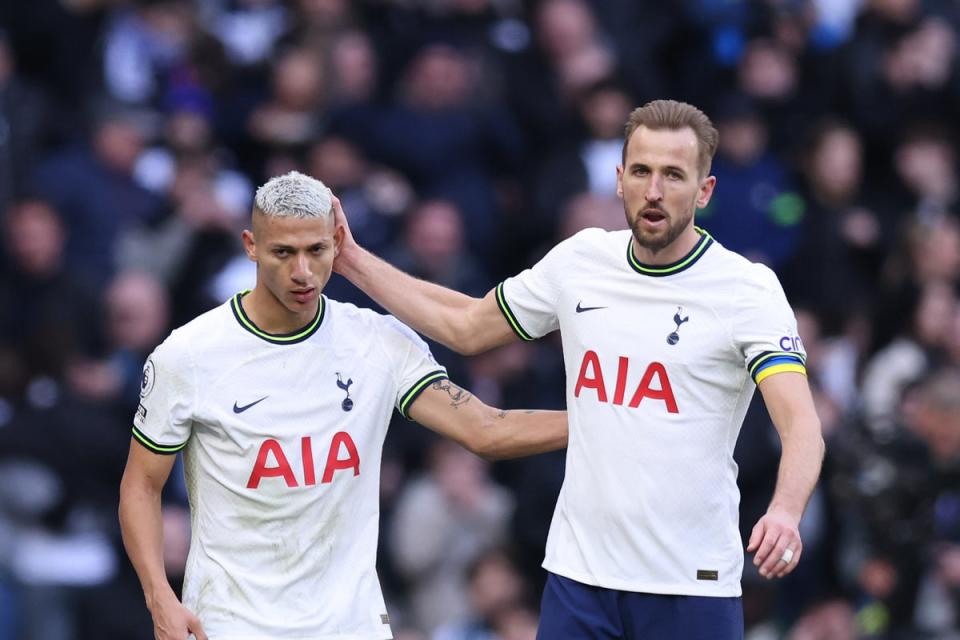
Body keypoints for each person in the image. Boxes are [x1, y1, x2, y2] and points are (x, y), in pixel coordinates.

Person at [333, 99, 825, 638]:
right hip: (579, 579)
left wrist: (785, 510)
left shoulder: (745, 289)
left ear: (704, 191)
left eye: (673, 175)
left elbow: (800, 424)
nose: (653, 191)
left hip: (691, 585)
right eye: (640, 171)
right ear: (619, 179)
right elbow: (466, 326)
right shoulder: (582, 260)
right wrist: (353, 260)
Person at [117, 171, 568, 640]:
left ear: (337, 242)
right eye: (283, 252)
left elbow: (486, 429)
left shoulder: (377, 341)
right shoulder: (188, 355)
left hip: (351, 625)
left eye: (316, 250)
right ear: (251, 245)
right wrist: (158, 597)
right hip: (233, 623)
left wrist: (601, 419)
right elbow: (140, 487)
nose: (302, 272)